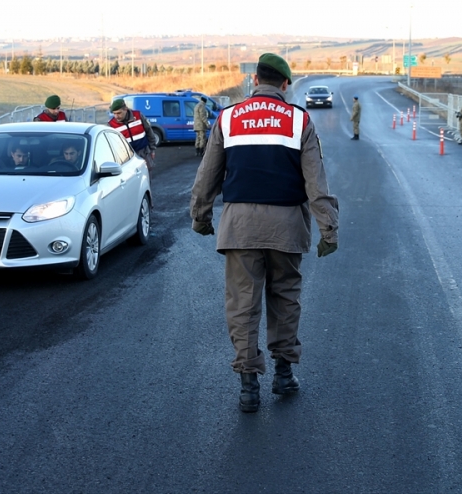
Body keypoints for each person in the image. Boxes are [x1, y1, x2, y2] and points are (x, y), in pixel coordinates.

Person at [189, 52, 339, 414]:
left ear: (255, 80)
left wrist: (201, 217)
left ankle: (248, 386)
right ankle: (284, 375)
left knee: (242, 303)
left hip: (239, 226)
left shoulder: (227, 118)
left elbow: (207, 174)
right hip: (287, 227)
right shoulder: (298, 120)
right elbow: (316, 182)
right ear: (285, 84)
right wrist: (328, 230)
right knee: (285, 297)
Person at [108, 98, 156, 168]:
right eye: (114, 113)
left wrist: (152, 149)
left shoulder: (138, 115)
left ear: (125, 109)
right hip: (126, 159)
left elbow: (149, 131)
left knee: (147, 177)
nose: (116, 116)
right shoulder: (111, 125)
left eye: (119, 113)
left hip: (144, 154)